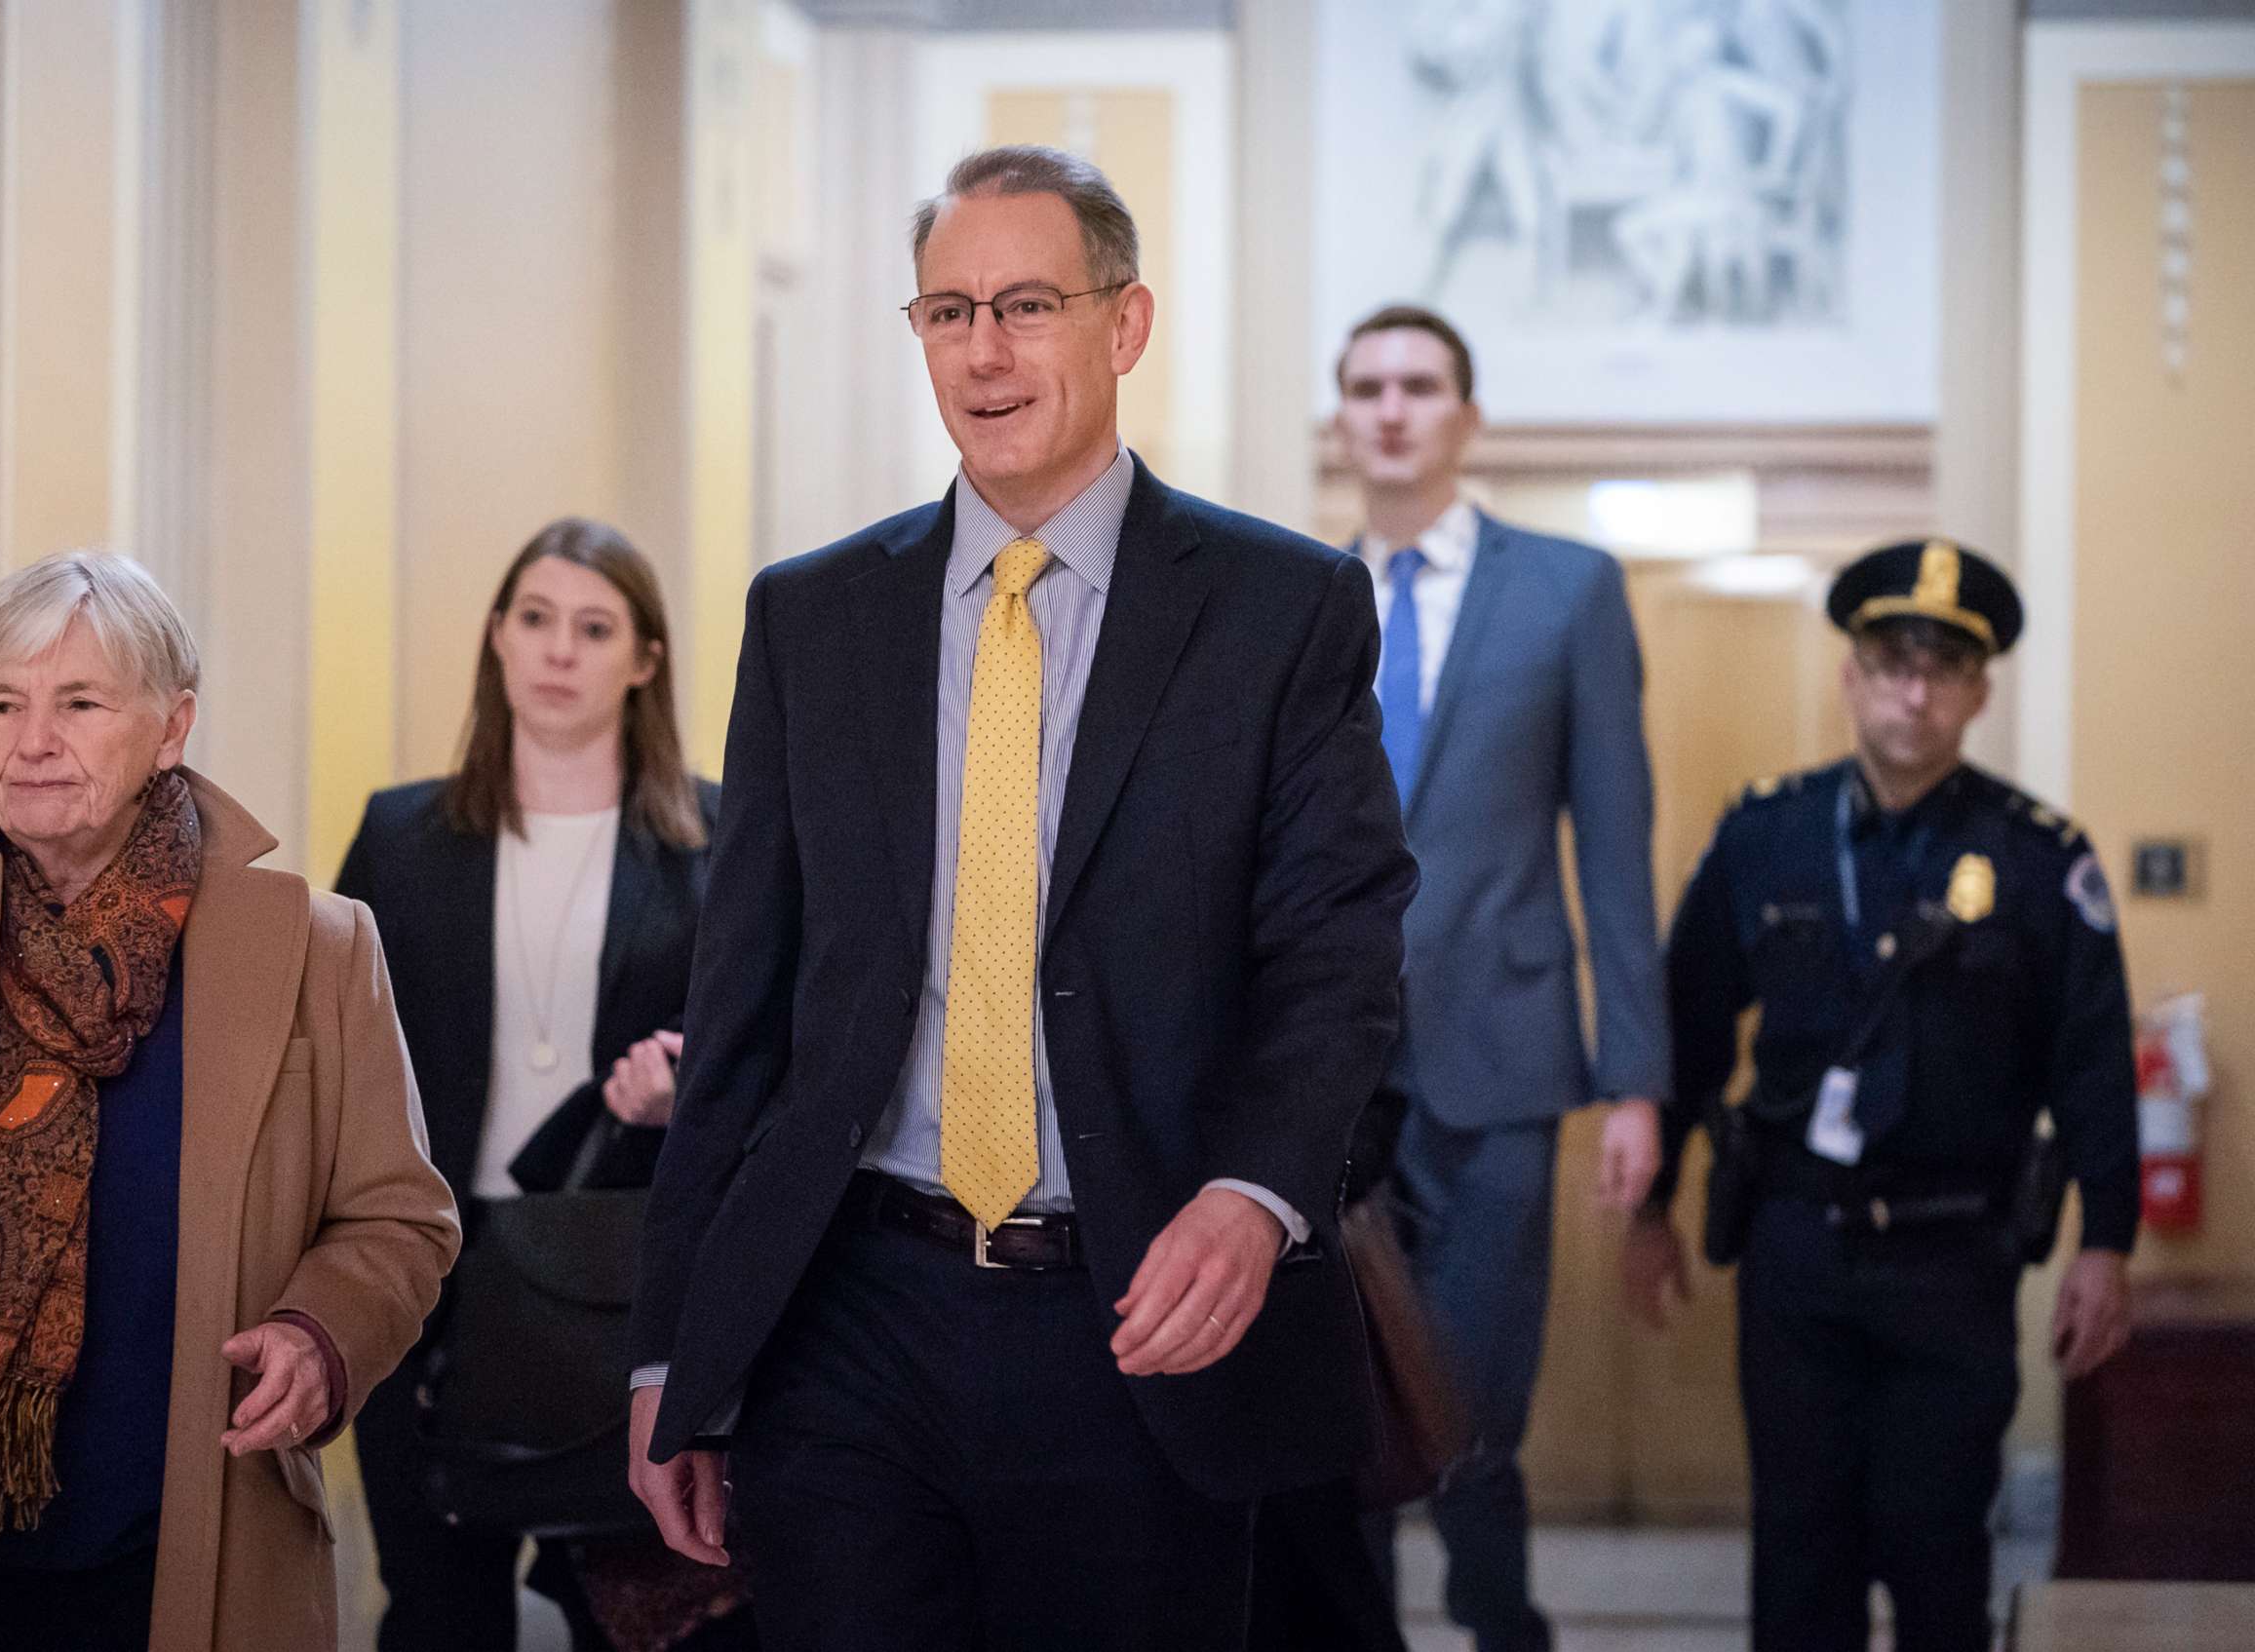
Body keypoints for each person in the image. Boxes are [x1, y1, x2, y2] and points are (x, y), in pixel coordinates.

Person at [623, 145, 1418, 1652]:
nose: (983, 351)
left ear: (1125, 325)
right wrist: (675, 1345)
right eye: (946, 311)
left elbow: (1337, 953)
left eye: (1029, 305)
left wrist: (1256, 1195)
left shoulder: (1281, 610)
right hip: (847, 1305)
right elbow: (739, 1012)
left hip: (1130, 1314)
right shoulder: (813, 615)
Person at [0, 552, 459, 1652]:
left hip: (184, 1538)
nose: (32, 742)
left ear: (171, 728)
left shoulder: (314, 946)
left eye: (79, 703)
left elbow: (401, 1217)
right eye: (3, 703)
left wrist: (322, 1334)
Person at [1625, 539, 2138, 1652]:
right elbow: (1693, 1026)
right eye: (1893, 661)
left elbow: (2092, 1061)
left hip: (1954, 1257)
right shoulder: (1765, 834)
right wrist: (1650, 1201)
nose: (1915, 690)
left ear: (1980, 693)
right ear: (1851, 676)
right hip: (1796, 1252)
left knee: (1938, 1549)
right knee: (1799, 1554)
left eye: (1943, 669)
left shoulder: (2041, 858)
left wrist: (2107, 1241)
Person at [335, 519, 748, 1652]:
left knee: (653, 1619)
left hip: (625, 1287)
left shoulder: (721, 838)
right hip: (427, 1283)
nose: (560, 651)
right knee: (436, 1613)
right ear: (498, 640)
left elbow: (774, 1058)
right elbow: (333, 1058)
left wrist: (683, 1091)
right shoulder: (403, 835)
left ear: (645, 660)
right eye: (536, 619)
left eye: (595, 626)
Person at [1322, 304, 1668, 1652]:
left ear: (1466, 415)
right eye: (1367, 387)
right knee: (1336, 1393)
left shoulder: (1567, 589)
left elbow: (1618, 846)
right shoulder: (1298, 590)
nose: (1393, 408)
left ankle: (1497, 1617)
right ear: (1342, 418)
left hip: (1507, 1057)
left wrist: (1636, 1076)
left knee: (1468, 1394)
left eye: (1419, 385)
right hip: (1332, 1074)